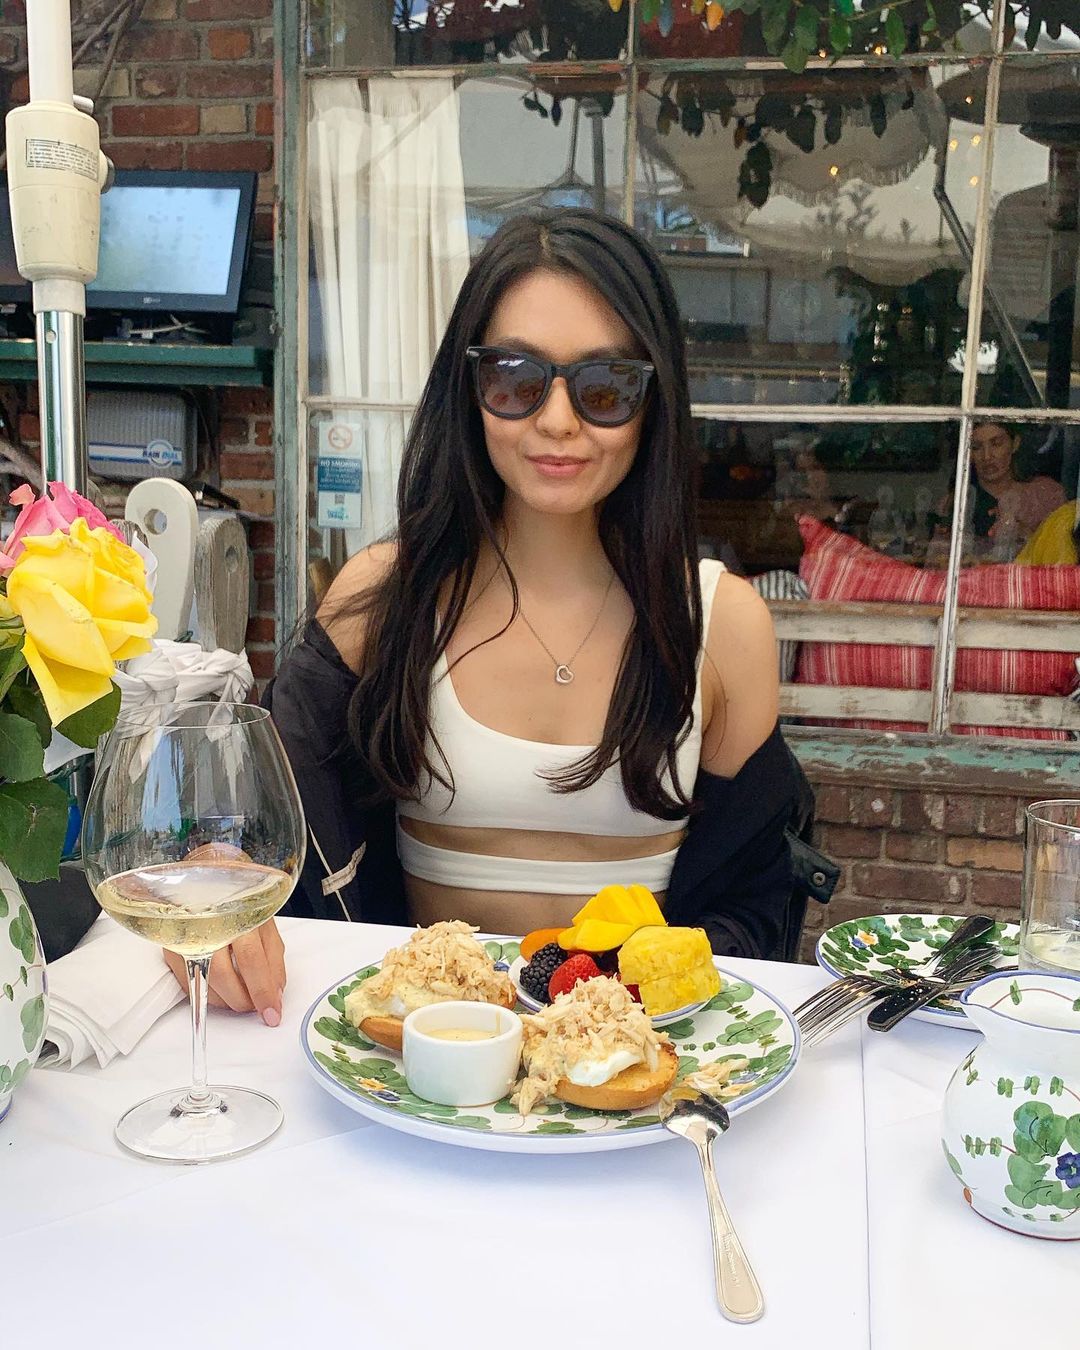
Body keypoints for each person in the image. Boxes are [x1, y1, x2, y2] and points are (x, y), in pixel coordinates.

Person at [177, 209, 809, 1016]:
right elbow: (260, 802)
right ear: (468, 387)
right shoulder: (386, 599)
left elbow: (755, 896)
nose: (557, 420)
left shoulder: (722, 626)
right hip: (421, 1050)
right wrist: (221, 866)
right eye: (516, 377)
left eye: (605, 386)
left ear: (655, 399)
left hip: (633, 1058)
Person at [931, 421, 1066, 564]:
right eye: (976, 447)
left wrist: (1027, 536)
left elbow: (1061, 559)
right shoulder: (956, 501)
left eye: (996, 444)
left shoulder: (1046, 495)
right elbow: (936, 563)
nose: (987, 456)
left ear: (1015, 443)